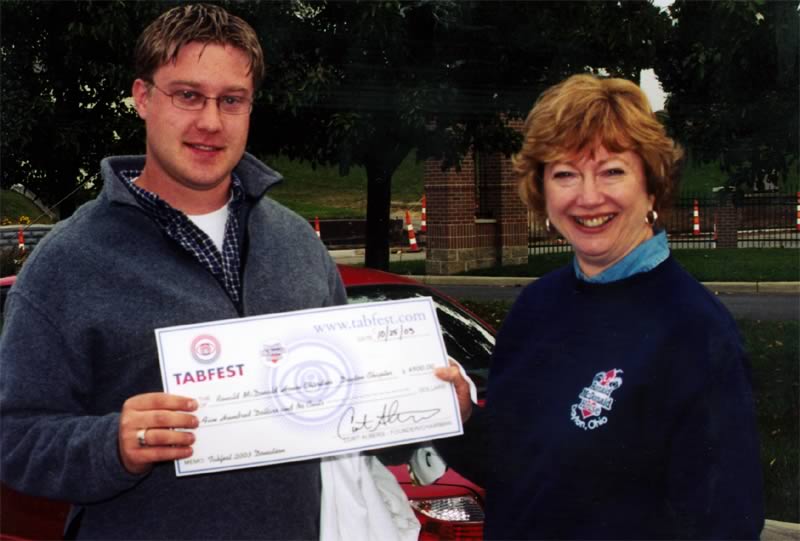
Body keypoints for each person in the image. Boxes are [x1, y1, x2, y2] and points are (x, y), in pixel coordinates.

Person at [0, 5, 357, 539]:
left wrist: (432, 397)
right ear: (143, 98)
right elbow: (14, 436)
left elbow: (348, 394)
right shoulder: (69, 261)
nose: (210, 121)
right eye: (187, 95)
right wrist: (112, 444)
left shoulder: (297, 244)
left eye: (231, 100)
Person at [435, 74, 765, 539]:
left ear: (651, 186)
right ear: (543, 191)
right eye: (565, 174)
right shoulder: (535, 307)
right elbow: (515, 469)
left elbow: (726, 523)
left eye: (612, 171)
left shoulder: (695, 332)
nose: (588, 197)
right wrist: (463, 418)